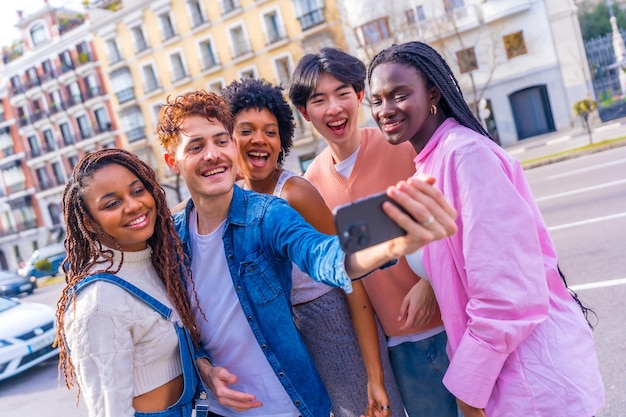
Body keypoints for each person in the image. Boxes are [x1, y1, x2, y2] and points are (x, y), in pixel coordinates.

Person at [155, 89, 457, 417]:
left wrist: (386, 243)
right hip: (219, 409)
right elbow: (183, 321)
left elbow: (321, 254)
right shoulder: (173, 236)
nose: (213, 155)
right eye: (197, 147)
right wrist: (202, 365)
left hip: (291, 404)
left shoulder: (267, 214)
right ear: (173, 162)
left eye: (220, 141)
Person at [366, 40, 605, 417]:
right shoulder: (431, 162)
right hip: (506, 376)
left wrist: (468, 389)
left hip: (528, 381)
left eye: (399, 94)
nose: (386, 109)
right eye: (377, 100)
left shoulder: (464, 155)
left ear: (433, 93)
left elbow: (506, 294)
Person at [289, 47, 459, 417]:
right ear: (305, 113)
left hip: (452, 323)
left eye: (343, 94)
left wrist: (430, 281)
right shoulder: (309, 186)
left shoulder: (400, 144)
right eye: (319, 100)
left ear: (360, 96)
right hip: (397, 345)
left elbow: (452, 216)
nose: (333, 108)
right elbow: (345, 272)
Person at [221, 77, 405, 417]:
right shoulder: (231, 196)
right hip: (291, 337)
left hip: (337, 330)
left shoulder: (295, 194)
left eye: (270, 131)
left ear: (282, 141)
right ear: (228, 138)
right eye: (246, 130)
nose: (260, 140)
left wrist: (374, 378)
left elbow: (353, 281)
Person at [55, 148, 205, 417]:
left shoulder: (153, 260)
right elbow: (109, 411)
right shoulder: (99, 302)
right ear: (88, 221)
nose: (134, 205)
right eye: (111, 204)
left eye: (137, 191)